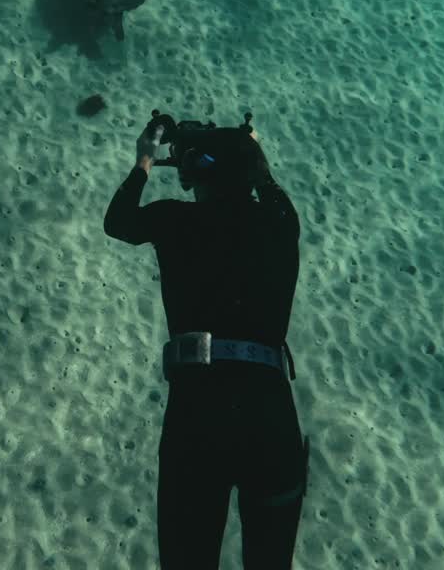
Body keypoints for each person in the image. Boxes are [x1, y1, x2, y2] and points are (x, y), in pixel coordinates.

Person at [103, 122, 309, 569]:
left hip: (200, 414)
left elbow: (117, 221)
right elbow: (268, 187)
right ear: (253, 172)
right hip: (271, 415)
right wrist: (253, 153)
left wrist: (144, 158)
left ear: (193, 171)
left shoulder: (176, 219)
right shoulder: (280, 221)